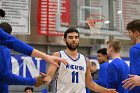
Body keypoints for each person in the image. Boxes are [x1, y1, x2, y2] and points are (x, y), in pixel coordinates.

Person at [43, 28, 117, 93]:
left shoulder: (85, 60)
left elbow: (90, 83)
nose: (74, 40)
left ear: (79, 40)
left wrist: (106, 91)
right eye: (70, 37)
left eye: (76, 37)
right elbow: (49, 77)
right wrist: (44, 79)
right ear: (65, 40)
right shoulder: (58, 56)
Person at [0, 22, 67, 93]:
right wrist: (34, 81)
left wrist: (45, 57)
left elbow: (14, 42)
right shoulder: (3, 48)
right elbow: (5, 77)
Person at [122, 19, 140, 93]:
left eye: (129, 32)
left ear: (136, 33)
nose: (129, 35)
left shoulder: (135, 49)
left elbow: (134, 77)